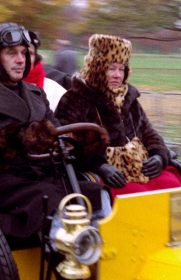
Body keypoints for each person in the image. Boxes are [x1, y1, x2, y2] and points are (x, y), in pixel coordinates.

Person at [0, 22, 110, 241]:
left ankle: (105, 252)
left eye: (23, 53)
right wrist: (25, 137)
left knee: (94, 192)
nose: (21, 59)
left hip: (44, 174)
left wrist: (86, 144)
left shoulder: (36, 93)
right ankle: (69, 259)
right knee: (49, 199)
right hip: (9, 182)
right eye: (11, 53)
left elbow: (57, 131)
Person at [55, 34, 181, 198]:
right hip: (101, 173)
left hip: (137, 165)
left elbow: (148, 132)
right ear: (97, 68)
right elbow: (66, 146)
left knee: (174, 182)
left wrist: (159, 156)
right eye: (111, 68)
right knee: (136, 195)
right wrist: (100, 166)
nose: (117, 75)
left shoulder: (129, 97)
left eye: (121, 69)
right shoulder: (74, 99)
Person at [24, 31, 66, 111]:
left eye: (30, 53)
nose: (22, 59)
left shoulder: (54, 89)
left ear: (36, 57)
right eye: (13, 53)